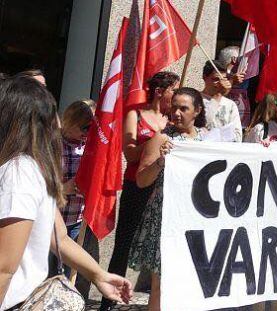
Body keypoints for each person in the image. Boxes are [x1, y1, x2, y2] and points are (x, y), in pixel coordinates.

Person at [0, 76, 132, 311]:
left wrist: (98, 275)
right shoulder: (30, 167)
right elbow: (58, 236)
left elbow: (4, 267)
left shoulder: (18, 172)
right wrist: (98, 274)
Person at [101, 71, 179, 310]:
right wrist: (157, 142)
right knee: (124, 242)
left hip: (163, 189)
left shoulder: (172, 120)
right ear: (160, 91)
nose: (176, 95)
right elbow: (130, 152)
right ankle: (109, 301)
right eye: (174, 90)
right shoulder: (136, 115)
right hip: (137, 185)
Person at [128, 87, 208, 311]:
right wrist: (160, 161)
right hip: (165, 219)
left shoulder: (207, 140)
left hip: (195, 219)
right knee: (161, 284)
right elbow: (142, 180)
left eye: (184, 108)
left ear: (197, 111)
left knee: (190, 282)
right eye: (174, 107)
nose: (177, 113)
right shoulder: (161, 139)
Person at [57, 99, 101, 294]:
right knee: (49, 273)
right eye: (85, 128)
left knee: (67, 275)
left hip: (76, 219)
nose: (87, 133)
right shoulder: (52, 144)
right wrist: (62, 188)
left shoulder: (89, 147)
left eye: (92, 129)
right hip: (54, 219)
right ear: (71, 121)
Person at [201, 60, 242, 142]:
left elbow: (238, 135)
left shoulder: (231, 105)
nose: (220, 83)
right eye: (216, 79)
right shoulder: (194, 99)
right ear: (205, 77)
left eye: (223, 79)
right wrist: (218, 95)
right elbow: (204, 124)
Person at [218, 46, 250, 128]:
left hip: (241, 121)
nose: (243, 62)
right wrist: (232, 80)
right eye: (240, 59)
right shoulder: (219, 75)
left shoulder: (243, 75)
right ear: (233, 60)